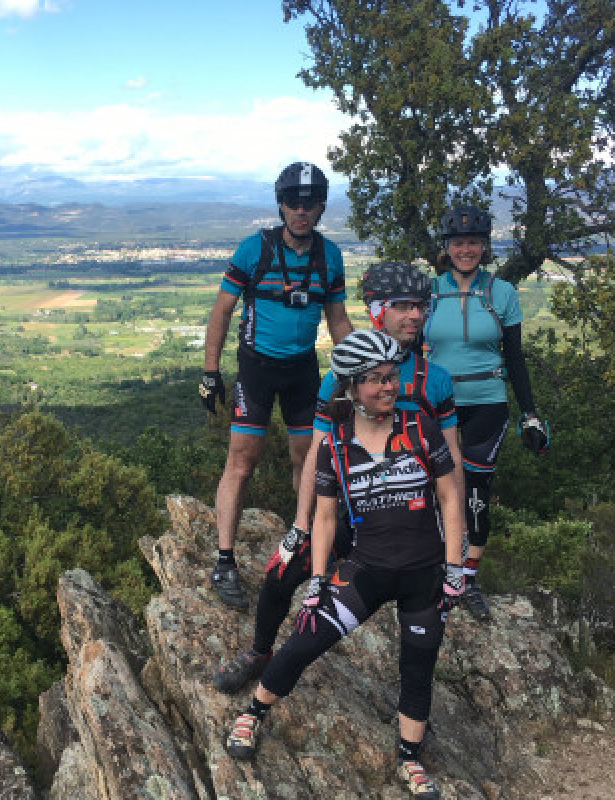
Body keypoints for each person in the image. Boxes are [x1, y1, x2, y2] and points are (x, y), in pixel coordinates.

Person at [223, 329, 465, 800]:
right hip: (366, 572)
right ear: (351, 387)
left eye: (392, 377)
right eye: (376, 379)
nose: (388, 387)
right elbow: (326, 518)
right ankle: (254, 711)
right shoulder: (334, 445)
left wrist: (455, 569)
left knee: (418, 667)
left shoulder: (420, 428)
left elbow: (450, 497)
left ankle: (409, 760)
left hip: (423, 575)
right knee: (304, 642)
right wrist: (317, 580)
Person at [212, 261, 462, 693]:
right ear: (377, 310)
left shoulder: (434, 380)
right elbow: (317, 454)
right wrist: (301, 525)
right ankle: (259, 652)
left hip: (413, 522)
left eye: (420, 306)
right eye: (403, 306)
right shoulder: (342, 377)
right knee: (280, 572)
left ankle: (412, 705)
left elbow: (452, 460)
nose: (415, 315)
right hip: (350, 511)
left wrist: (457, 544)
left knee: (417, 629)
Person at [199, 162, 353, 611]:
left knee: (309, 459)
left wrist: (357, 373)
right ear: (281, 205)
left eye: (310, 202)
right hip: (257, 369)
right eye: (293, 202)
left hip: (303, 369)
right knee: (241, 461)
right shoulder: (255, 250)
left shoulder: (329, 256)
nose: (301, 210)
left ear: (321, 207)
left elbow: (338, 319)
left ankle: (304, 543)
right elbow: (222, 310)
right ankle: (224, 560)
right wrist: (211, 372)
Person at [423, 205, 549, 622]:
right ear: (446, 247)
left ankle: (469, 577)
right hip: (437, 403)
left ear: (485, 247)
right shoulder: (428, 292)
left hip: (487, 403)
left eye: (474, 242)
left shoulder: (502, 293)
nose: (466, 250)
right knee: (434, 488)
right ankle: (438, 569)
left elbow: (515, 358)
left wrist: (530, 414)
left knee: (475, 493)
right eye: (458, 242)